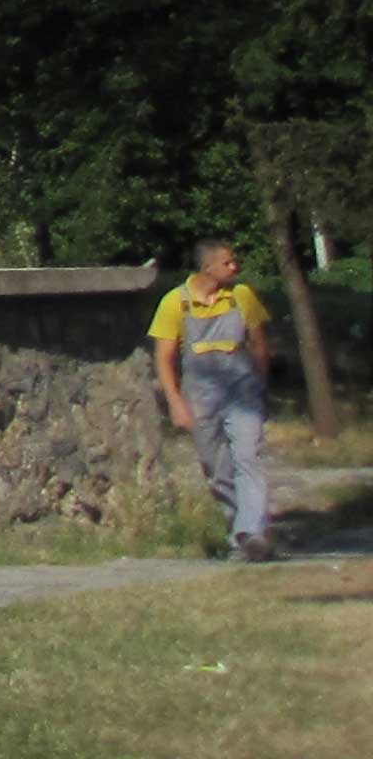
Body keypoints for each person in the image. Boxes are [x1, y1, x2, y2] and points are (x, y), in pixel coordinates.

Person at [151, 236, 276, 559]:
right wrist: (175, 402)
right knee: (216, 467)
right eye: (227, 262)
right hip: (201, 395)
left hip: (242, 391)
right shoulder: (174, 302)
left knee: (248, 457)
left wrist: (259, 381)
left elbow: (259, 343)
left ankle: (254, 531)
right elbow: (163, 358)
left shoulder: (242, 297)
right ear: (207, 267)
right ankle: (240, 532)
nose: (234, 267)